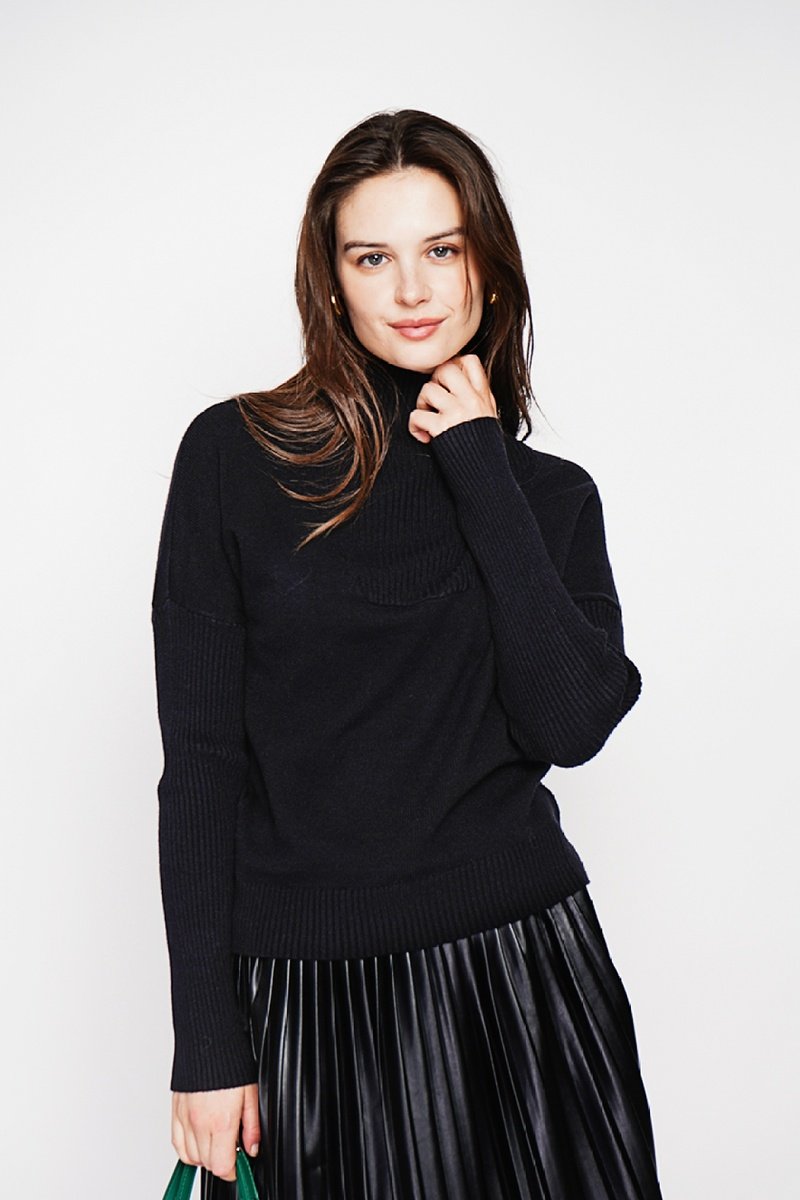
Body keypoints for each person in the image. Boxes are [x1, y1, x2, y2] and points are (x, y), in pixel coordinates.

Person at [151, 109, 664, 1199]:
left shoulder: (547, 497)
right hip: (309, 998)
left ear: (488, 264)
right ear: (331, 282)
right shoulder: (235, 458)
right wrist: (206, 1041)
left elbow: (570, 723)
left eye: (441, 249)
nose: (413, 289)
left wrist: (478, 460)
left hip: (524, 983)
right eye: (372, 257)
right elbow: (199, 764)